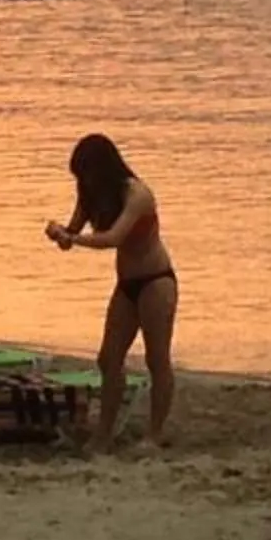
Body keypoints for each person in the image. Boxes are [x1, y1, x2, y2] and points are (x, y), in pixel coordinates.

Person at [45, 133, 177, 448]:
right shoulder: (91, 197)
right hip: (126, 284)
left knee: (156, 359)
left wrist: (73, 239)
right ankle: (104, 433)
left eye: (88, 174)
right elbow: (72, 236)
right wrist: (60, 233)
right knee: (108, 358)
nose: (85, 182)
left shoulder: (136, 194)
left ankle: (154, 434)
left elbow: (113, 239)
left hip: (155, 280)